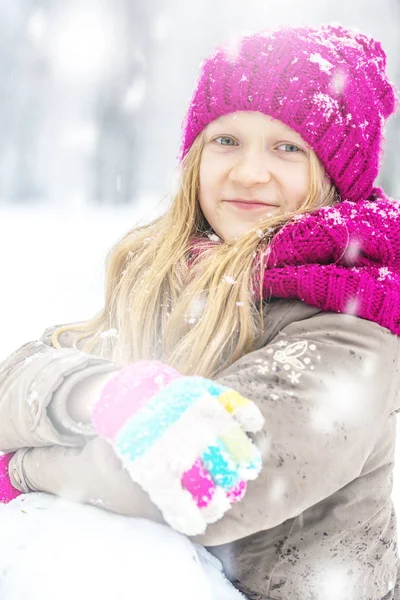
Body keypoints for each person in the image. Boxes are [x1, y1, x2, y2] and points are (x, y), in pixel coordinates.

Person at [0, 22, 399, 600]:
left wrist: (22, 469)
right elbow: (16, 377)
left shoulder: (353, 327)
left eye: (288, 148)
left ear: (336, 178)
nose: (248, 172)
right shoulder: (167, 276)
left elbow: (207, 482)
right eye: (226, 141)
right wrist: (100, 394)